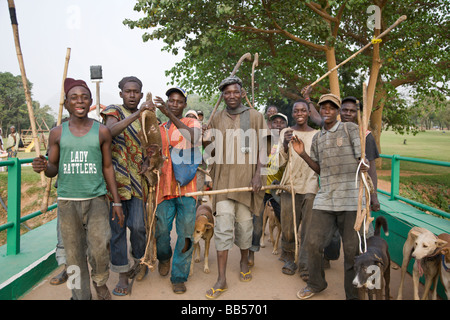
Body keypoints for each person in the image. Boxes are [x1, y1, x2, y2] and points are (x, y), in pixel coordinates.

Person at [32, 78, 124, 300]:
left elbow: (108, 166)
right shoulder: (57, 133)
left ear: (91, 101)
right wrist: (44, 166)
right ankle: (79, 294)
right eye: (74, 97)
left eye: (84, 97)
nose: (79, 101)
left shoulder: (102, 131)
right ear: (66, 104)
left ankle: (100, 282)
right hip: (68, 202)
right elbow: (53, 169)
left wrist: (117, 201)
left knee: (100, 249)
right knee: (73, 255)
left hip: (97, 200)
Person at [291, 93, 368, 300]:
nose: (327, 111)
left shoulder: (349, 128)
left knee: (352, 252)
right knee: (313, 243)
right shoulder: (318, 137)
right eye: (323, 107)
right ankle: (316, 283)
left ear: (337, 111)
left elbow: (362, 159)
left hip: (351, 199)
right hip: (325, 198)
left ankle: (352, 295)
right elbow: (319, 170)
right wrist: (303, 154)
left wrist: (364, 164)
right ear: (319, 110)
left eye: (331, 108)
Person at [202, 75, 267, 299]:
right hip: (223, 184)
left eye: (235, 92)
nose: (231, 96)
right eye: (227, 92)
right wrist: (204, 138)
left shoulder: (256, 117)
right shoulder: (217, 118)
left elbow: (264, 147)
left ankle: (243, 260)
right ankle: (221, 279)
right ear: (223, 95)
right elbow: (210, 151)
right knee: (223, 228)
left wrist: (259, 174)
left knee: (245, 228)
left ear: (242, 93)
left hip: (247, 184)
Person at [101, 76, 153, 296]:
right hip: (116, 184)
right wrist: (137, 114)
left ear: (141, 94)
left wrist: (149, 161)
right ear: (121, 93)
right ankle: (122, 274)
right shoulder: (113, 111)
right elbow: (109, 133)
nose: (132, 95)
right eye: (128, 91)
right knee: (118, 231)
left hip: (138, 182)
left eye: (136, 91)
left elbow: (153, 146)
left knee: (139, 227)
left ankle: (139, 259)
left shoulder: (147, 117)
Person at [153, 87, 201, 294]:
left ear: (184, 104)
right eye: (171, 101)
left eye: (179, 101)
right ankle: (164, 257)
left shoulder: (191, 123)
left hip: (187, 190)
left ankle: (179, 275)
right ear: (167, 101)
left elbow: (194, 138)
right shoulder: (160, 128)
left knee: (186, 234)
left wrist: (170, 115)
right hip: (163, 189)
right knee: (162, 231)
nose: (174, 104)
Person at [277, 100, 319, 281]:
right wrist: (286, 145)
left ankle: (305, 264)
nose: (300, 113)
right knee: (288, 227)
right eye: (296, 110)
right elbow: (279, 161)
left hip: (310, 184)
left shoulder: (317, 134)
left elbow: (319, 163)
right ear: (292, 113)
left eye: (303, 110)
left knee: (308, 228)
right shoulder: (285, 132)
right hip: (290, 184)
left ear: (309, 113)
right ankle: (289, 257)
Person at [248, 112, 288, 266]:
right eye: (275, 122)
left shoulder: (289, 142)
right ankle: (252, 252)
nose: (278, 125)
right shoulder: (263, 142)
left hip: (278, 189)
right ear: (270, 125)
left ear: (286, 125)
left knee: (284, 221)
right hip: (261, 187)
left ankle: (287, 251)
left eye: (281, 122)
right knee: (257, 224)